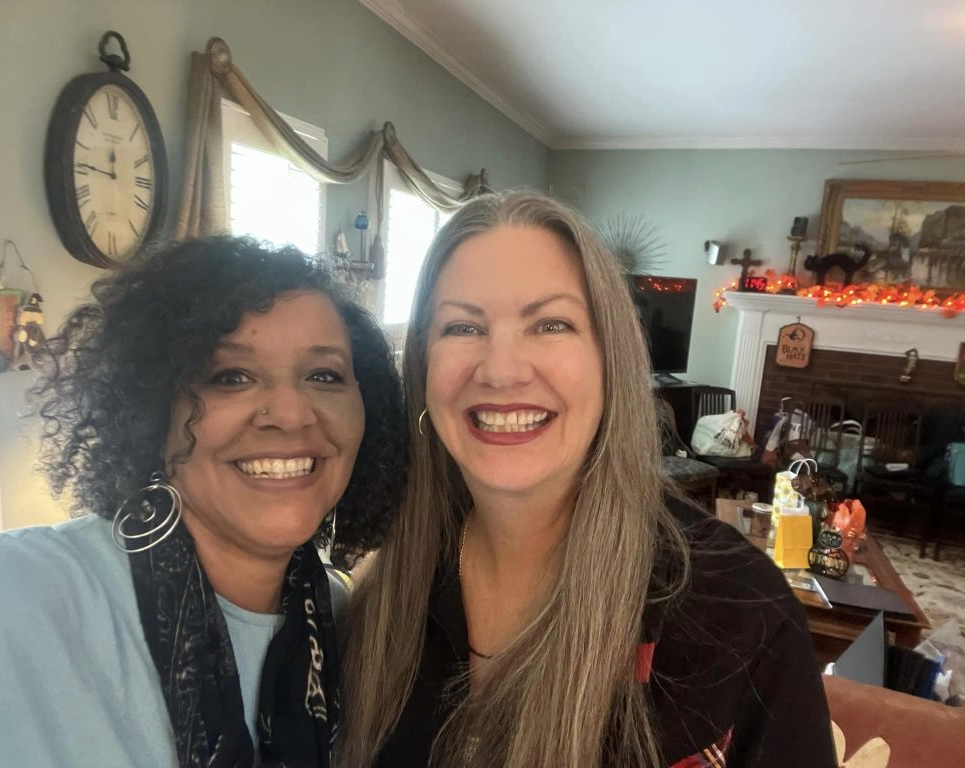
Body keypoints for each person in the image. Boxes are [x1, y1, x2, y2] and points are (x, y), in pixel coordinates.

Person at [337, 191, 836, 768]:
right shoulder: (384, 594)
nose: (501, 371)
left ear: (609, 360)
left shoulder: (739, 611)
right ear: (423, 366)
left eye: (551, 324)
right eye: (462, 327)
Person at [0, 237, 407, 768]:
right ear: (151, 407)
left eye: (324, 375)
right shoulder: (1, 596)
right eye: (231, 377)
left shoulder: (346, 621)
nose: (290, 413)